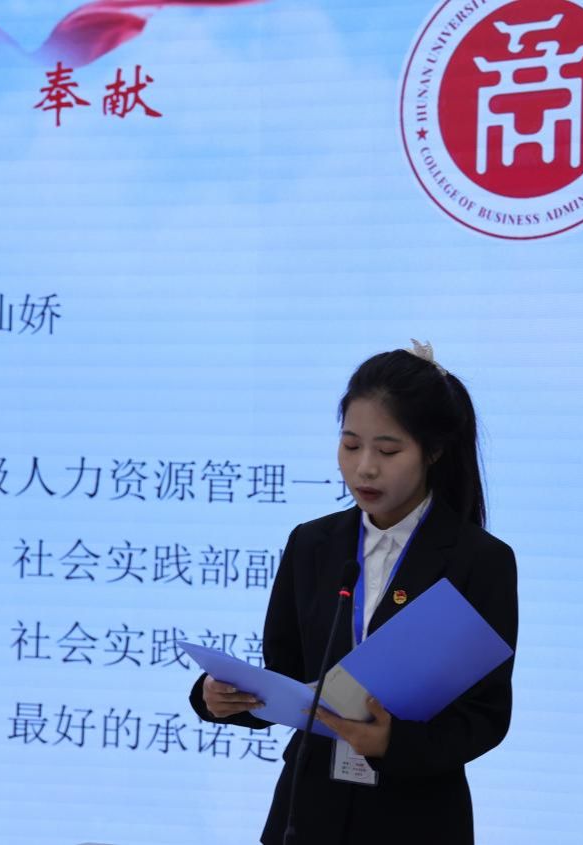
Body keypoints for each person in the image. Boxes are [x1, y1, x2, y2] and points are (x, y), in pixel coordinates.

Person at [188, 342, 518, 845]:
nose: (364, 468)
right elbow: (286, 673)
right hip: (307, 812)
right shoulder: (312, 544)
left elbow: (485, 717)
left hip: (417, 818)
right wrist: (220, 697)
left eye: (388, 451)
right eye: (350, 445)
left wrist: (393, 742)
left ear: (432, 451)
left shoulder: (479, 560)